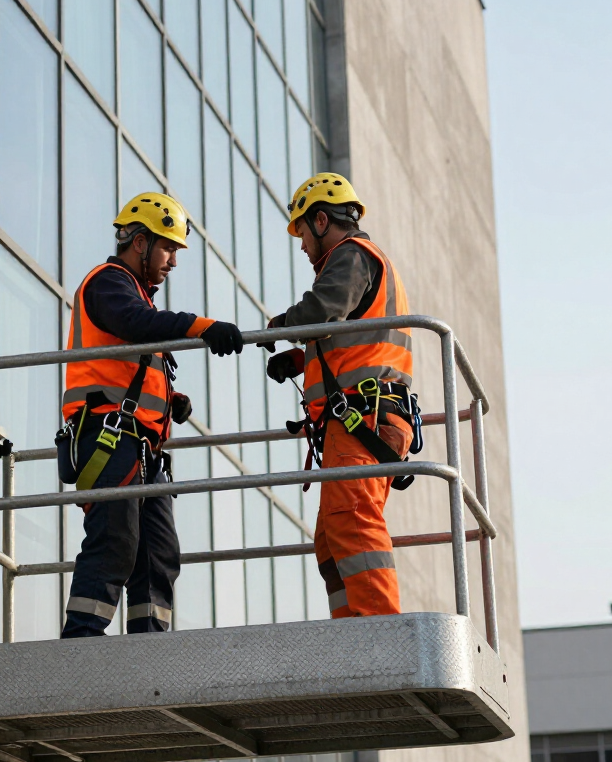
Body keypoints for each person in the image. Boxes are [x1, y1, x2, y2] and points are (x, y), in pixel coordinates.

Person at [59, 192, 243, 638]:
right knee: (115, 542)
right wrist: (201, 327)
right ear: (139, 242)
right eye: (168, 248)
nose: (173, 262)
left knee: (159, 553)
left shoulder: (134, 294)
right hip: (110, 437)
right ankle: (81, 641)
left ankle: (150, 647)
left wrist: (170, 398)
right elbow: (134, 324)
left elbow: (127, 364)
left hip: (141, 446)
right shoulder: (107, 282)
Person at [261, 173, 419, 619]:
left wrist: (282, 324)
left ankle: (379, 635)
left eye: (303, 233)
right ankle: (351, 631)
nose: (303, 247)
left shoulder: (351, 256)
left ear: (321, 219)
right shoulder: (363, 264)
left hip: (362, 418)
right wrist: (298, 360)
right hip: (362, 417)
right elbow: (350, 341)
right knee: (332, 538)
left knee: (351, 520)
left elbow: (323, 311)